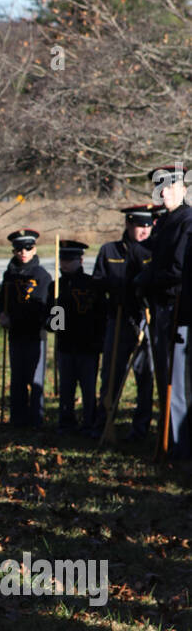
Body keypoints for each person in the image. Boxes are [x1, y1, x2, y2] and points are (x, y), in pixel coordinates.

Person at [136, 162, 192, 456]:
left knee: (177, 382)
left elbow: (178, 269)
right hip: (161, 307)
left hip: (177, 309)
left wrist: (147, 279)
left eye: (170, 187)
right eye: (160, 188)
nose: (164, 193)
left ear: (183, 189)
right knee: (164, 377)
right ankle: (167, 438)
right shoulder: (166, 224)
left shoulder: (186, 221)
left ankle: (179, 447)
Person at [91, 206, 154, 439]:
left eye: (148, 226)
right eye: (140, 226)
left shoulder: (153, 252)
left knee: (145, 376)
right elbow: (98, 282)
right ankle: (104, 423)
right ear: (128, 225)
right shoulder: (110, 250)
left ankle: (141, 428)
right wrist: (111, 289)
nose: (144, 231)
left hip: (144, 319)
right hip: (116, 319)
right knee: (111, 375)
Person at [0, 228, 54, 427]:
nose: (23, 252)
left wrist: (20, 320)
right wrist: (1, 315)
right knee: (18, 378)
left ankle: (36, 420)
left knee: (35, 380)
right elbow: (0, 302)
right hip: (15, 335)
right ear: (13, 251)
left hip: (35, 335)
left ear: (34, 249)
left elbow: (43, 307)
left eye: (28, 248)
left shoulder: (42, 276)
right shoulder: (9, 275)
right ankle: (17, 419)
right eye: (19, 248)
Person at [52, 240, 105, 433]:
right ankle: (66, 420)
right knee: (66, 386)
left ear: (80, 260)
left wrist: (99, 341)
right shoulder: (55, 286)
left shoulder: (92, 285)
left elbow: (101, 315)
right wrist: (54, 317)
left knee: (88, 387)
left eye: (70, 260)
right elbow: (51, 324)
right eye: (62, 260)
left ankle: (89, 421)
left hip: (87, 345)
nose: (65, 264)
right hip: (66, 345)